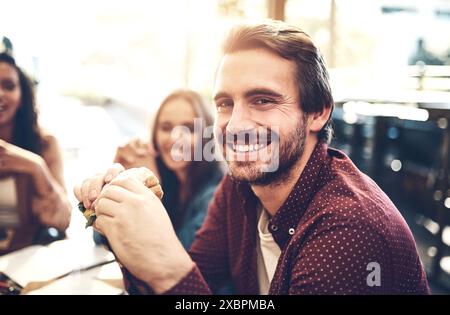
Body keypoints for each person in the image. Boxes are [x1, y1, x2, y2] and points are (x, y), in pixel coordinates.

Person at [75, 21, 430, 294]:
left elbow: (181, 283)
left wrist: (169, 269)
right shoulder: (239, 188)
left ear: (318, 112)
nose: (236, 124)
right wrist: (125, 224)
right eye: (225, 104)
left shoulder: (350, 229)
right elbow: (201, 285)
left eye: (263, 100)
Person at [93, 90, 223, 250]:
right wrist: (117, 182)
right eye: (166, 128)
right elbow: (99, 235)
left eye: (189, 128)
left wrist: (146, 194)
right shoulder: (164, 175)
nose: (175, 138)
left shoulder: (217, 192)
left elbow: (180, 254)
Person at [0, 53, 71, 255]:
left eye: (9, 86)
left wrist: (36, 166)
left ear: (22, 97)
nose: (0, 93)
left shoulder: (45, 144)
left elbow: (62, 220)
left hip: (28, 259)